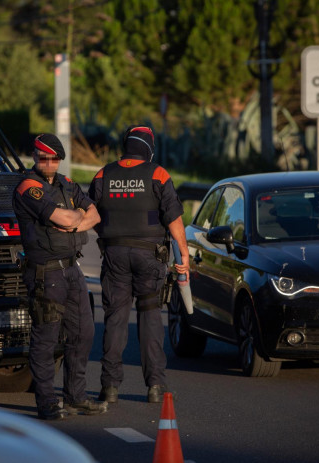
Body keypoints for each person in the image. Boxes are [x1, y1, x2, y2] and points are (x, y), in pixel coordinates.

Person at [88, 126, 189, 404]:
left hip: (115, 256)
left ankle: (109, 387)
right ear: (149, 147)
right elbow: (174, 219)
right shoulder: (158, 174)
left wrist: (111, 240)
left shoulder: (103, 173)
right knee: (150, 318)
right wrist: (184, 255)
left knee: (116, 319)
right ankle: (155, 386)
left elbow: (91, 214)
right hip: (149, 257)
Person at [12, 133, 107, 420]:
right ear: (35, 157)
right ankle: (47, 402)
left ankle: (76, 396)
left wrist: (74, 224)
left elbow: (95, 214)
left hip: (71, 268)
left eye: (55, 158)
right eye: (44, 157)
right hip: (45, 272)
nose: (50, 163)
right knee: (46, 338)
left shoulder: (67, 184)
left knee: (83, 332)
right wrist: (74, 217)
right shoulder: (28, 188)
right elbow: (67, 217)